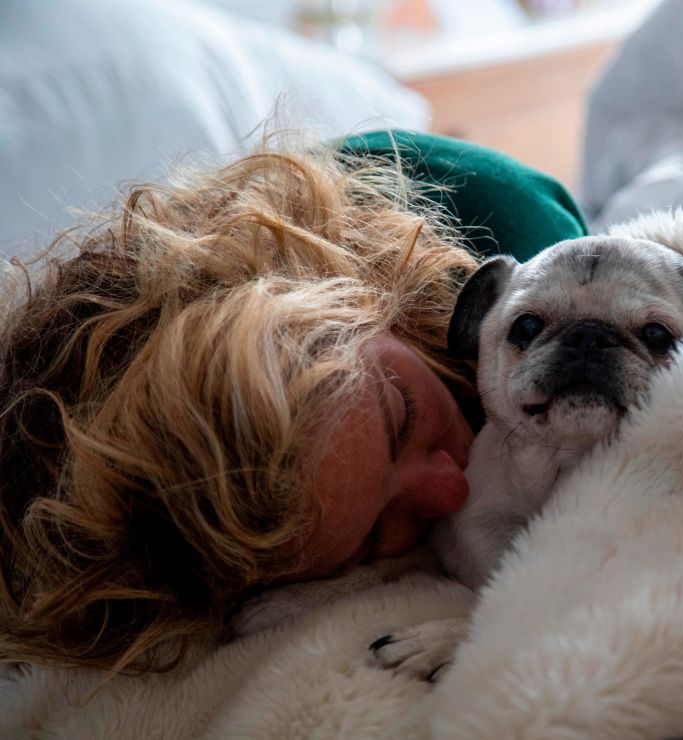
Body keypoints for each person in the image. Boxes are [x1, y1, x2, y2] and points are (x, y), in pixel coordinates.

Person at [0, 130, 588, 675]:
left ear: (364, 298)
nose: (450, 486)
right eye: (379, 534)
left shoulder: (506, 235)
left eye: (403, 414)